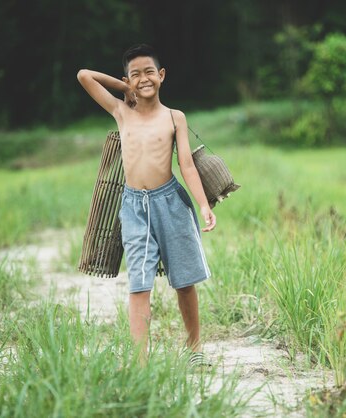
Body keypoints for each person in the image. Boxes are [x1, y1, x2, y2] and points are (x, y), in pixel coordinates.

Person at [77, 44, 215, 363]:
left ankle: (194, 348)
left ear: (162, 75)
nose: (143, 79)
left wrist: (204, 205)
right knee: (139, 284)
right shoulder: (121, 111)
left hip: (170, 203)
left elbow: (188, 165)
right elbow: (84, 75)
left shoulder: (174, 117)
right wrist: (123, 86)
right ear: (127, 79)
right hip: (134, 207)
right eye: (135, 74)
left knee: (184, 280)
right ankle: (140, 360)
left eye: (149, 72)